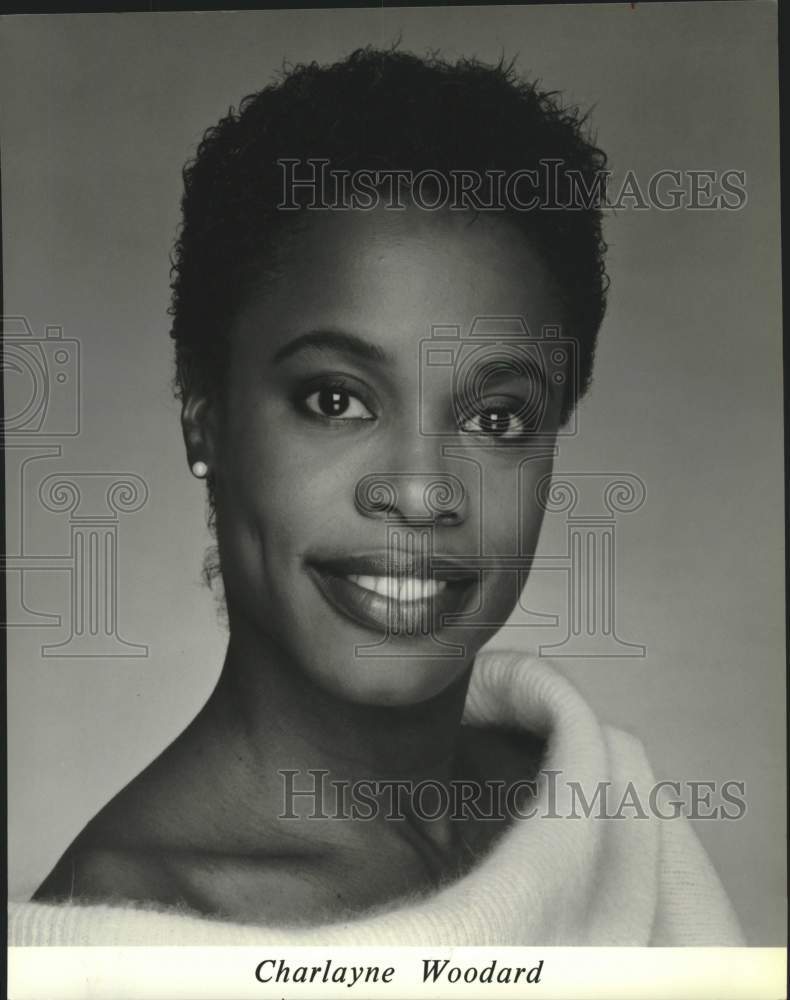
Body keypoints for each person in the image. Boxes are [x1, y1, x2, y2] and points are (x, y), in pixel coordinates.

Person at [10, 47, 743, 946]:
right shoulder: (113, 937)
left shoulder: (608, 816)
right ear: (206, 420)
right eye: (336, 400)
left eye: (499, 417)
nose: (424, 490)